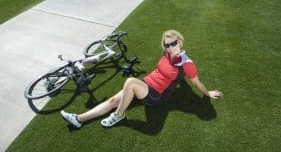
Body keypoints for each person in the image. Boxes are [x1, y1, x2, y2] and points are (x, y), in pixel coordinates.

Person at [61, 30, 223, 128]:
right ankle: (79, 119)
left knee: (130, 82)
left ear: (180, 42)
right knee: (112, 100)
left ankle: (118, 116)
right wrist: (178, 79)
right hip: (145, 84)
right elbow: (174, 76)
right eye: (167, 45)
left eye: (173, 43)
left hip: (156, 95)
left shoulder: (187, 64)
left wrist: (207, 93)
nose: (170, 47)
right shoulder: (167, 53)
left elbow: (196, 82)